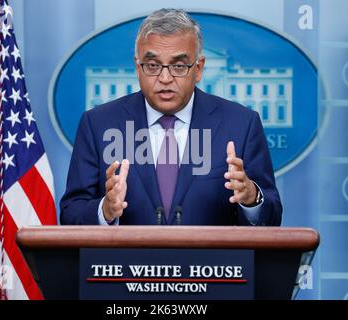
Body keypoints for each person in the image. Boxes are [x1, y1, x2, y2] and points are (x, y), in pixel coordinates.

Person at [60, 8, 282, 226]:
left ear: (198, 69)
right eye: (153, 65)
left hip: (211, 262)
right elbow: (71, 214)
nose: (165, 78)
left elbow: (272, 216)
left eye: (178, 66)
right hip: (126, 262)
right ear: (138, 68)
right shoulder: (98, 124)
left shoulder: (241, 125)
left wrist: (251, 198)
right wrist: (105, 210)